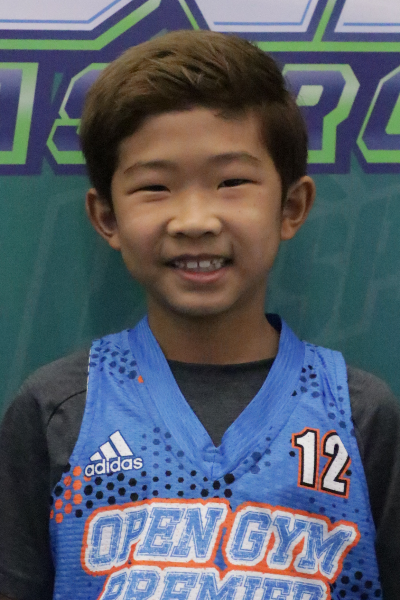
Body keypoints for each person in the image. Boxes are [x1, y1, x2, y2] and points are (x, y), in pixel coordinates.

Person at [0, 29, 399, 600]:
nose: (194, 220)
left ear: (291, 207)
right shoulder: (58, 410)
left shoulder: (359, 417)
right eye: (155, 187)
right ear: (107, 218)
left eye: (231, 182)